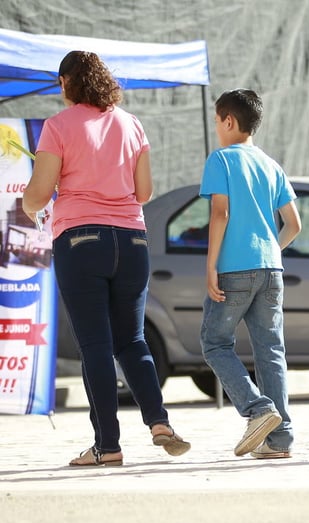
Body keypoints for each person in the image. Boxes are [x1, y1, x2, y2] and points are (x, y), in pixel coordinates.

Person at [22, 51, 190, 467]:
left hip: (81, 240)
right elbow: (145, 191)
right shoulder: (132, 123)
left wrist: (29, 205)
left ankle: (108, 446)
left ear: (65, 83)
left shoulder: (58, 127)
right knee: (132, 340)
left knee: (95, 344)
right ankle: (158, 420)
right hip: (132, 240)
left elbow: (40, 194)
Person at [199, 89, 301, 459]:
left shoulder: (221, 160)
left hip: (234, 269)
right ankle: (281, 439)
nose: (216, 128)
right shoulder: (271, 164)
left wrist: (211, 265)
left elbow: (220, 214)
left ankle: (258, 410)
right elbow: (294, 224)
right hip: (271, 268)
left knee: (214, 342)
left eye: (216, 121)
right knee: (271, 350)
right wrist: (270, 249)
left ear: (228, 121)